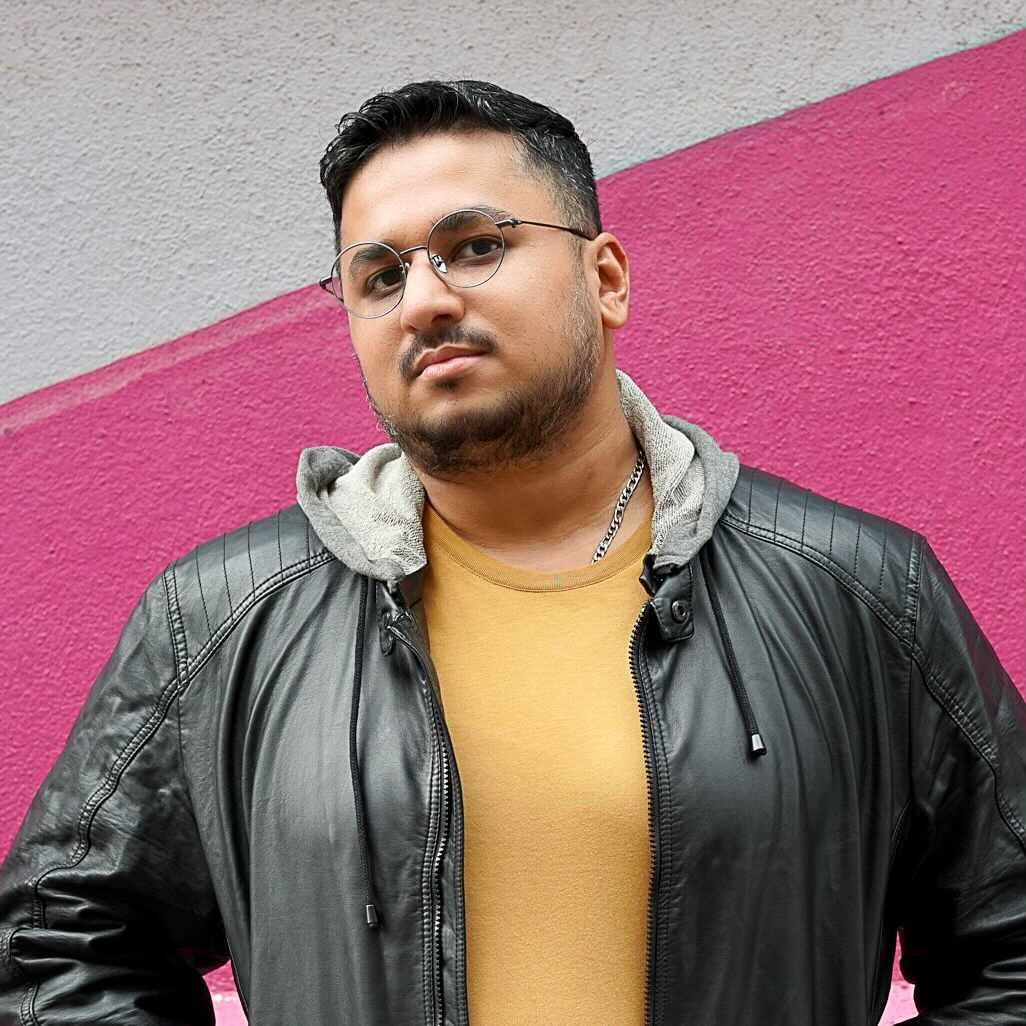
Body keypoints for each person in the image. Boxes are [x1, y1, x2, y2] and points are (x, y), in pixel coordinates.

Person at [1, 79, 1023, 1026]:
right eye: (380, 274)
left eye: (477, 245)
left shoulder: (857, 592)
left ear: (605, 277)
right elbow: (51, 948)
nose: (424, 301)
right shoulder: (220, 620)